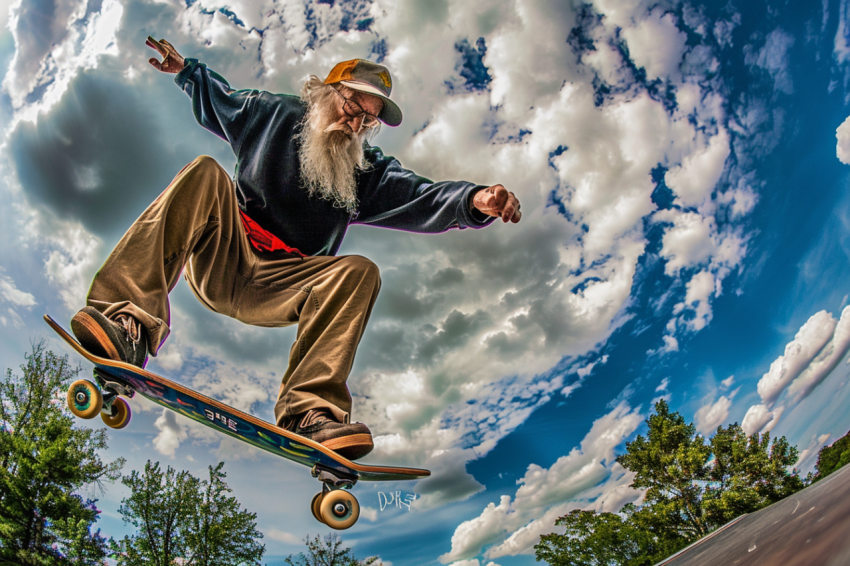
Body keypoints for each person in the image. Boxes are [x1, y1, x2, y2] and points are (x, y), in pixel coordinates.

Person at [71, 37, 522, 460]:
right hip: (224, 256)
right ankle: (126, 323)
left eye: (368, 120)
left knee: (358, 270)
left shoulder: (364, 172)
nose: (356, 123)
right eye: (352, 106)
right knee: (206, 172)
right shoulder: (271, 114)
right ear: (325, 91)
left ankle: (311, 413)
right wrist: (186, 71)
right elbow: (220, 101)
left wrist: (473, 200)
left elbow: (418, 194)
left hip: (285, 284)